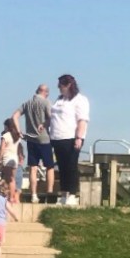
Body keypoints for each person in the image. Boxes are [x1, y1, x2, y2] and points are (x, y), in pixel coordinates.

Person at [49, 74, 90, 206]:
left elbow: (82, 120)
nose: (59, 88)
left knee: (71, 166)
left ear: (68, 85)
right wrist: (44, 124)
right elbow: (53, 116)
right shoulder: (59, 100)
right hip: (57, 137)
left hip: (71, 137)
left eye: (61, 86)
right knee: (61, 167)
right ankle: (64, 193)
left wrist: (79, 137)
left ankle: (72, 194)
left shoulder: (80, 100)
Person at [13, 83, 55, 204]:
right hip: (44, 138)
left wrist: (18, 130)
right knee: (50, 167)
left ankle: (34, 195)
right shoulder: (46, 102)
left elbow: (15, 116)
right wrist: (44, 125)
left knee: (33, 167)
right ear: (46, 93)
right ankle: (49, 193)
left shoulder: (27, 103)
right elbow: (52, 118)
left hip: (30, 138)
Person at [0, 118, 22, 204]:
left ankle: (10, 197)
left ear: (7, 126)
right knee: (12, 179)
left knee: (7, 179)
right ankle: (12, 196)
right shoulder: (17, 136)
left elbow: (2, 148)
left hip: (7, 158)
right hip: (15, 159)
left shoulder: (5, 136)